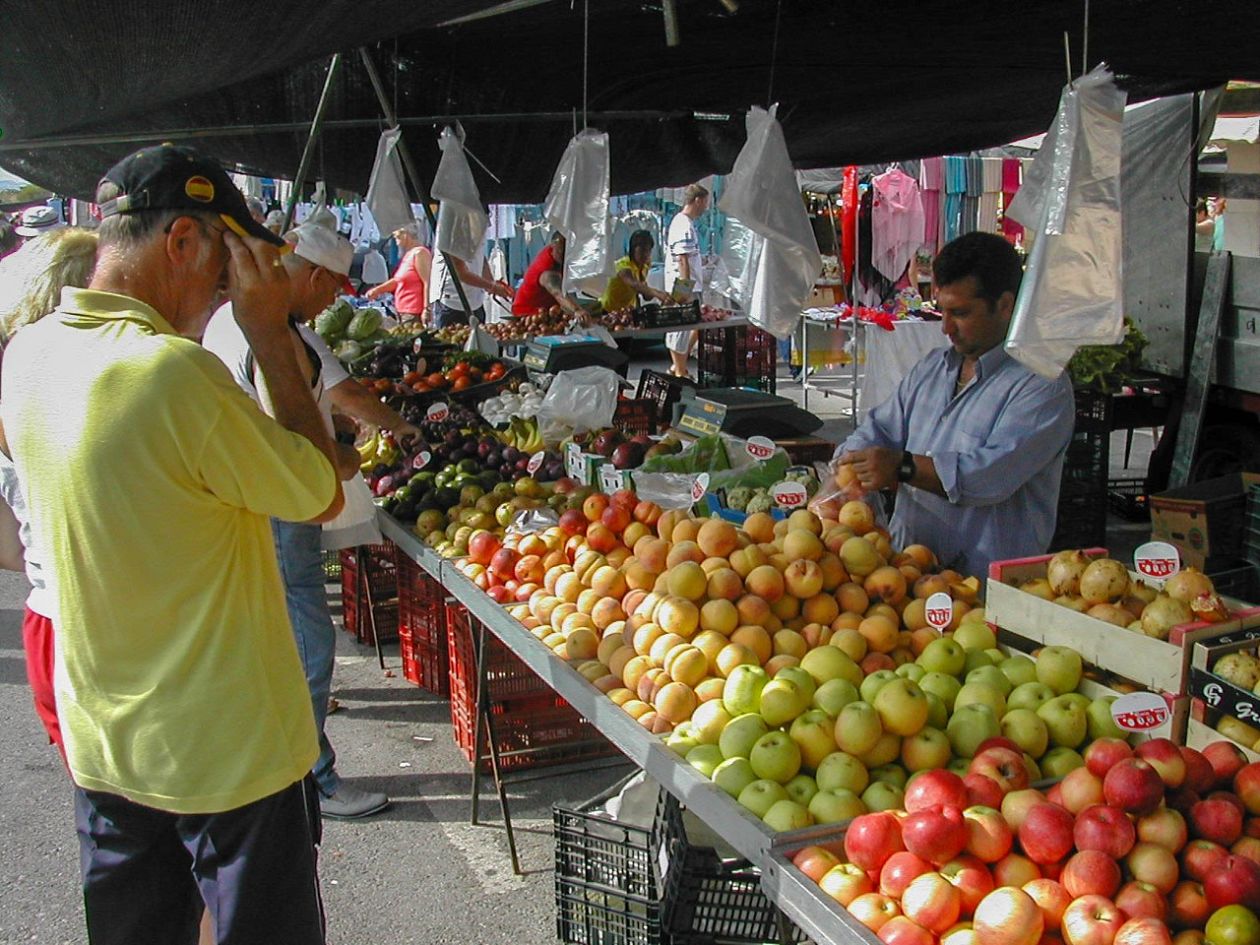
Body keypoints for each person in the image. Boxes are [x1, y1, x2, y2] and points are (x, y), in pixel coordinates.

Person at [0, 143, 342, 944]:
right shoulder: (171, 374)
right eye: (226, 266)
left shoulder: (29, 354)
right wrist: (268, 336)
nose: (231, 290)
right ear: (180, 241)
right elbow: (319, 487)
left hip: (108, 745)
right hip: (231, 755)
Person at [205, 222, 419, 821]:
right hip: (278, 508)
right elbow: (305, 436)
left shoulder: (239, 320)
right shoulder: (272, 335)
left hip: (246, 503)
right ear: (315, 277)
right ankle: (312, 776)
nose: (333, 304)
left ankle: (289, 759)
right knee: (306, 634)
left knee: (278, 634)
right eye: (332, 291)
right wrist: (350, 453)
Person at [835, 231, 1076, 579]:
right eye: (941, 310)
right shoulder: (933, 367)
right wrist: (847, 467)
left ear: (1005, 305)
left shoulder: (1042, 386)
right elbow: (882, 428)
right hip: (907, 573)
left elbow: (989, 475)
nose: (946, 327)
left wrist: (901, 467)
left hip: (985, 588)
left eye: (960, 313)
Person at [0, 227, 99, 756]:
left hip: (50, 619)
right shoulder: (119, 382)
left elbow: (10, 551)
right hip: (130, 631)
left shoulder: (12, 382)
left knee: (110, 815)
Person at [664, 183, 710, 377]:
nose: (706, 208)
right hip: (684, 286)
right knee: (680, 330)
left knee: (692, 327)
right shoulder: (683, 223)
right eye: (706, 203)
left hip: (689, 285)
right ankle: (680, 370)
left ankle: (678, 367)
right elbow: (682, 259)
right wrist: (684, 290)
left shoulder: (685, 223)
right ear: (697, 201)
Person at [512, 231, 587, 321]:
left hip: (549, 310)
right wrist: (577, 310)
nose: (565, 256)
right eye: (561, 252)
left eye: (568, 252)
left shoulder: (556, 255)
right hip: (528, 313)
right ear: (553, 247)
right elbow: (558, 293)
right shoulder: (546, 268)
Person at [364, 222, 431, 325]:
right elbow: (397, 281)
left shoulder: (420, 253)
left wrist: (427, 309)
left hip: (413, 312)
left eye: (397, 235)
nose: (395, 237)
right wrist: (377, 290)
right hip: (402, 312)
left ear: (406, 234)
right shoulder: (408, 254)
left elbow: (428, 282)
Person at [599, 229, 672, 311]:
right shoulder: (623, 265)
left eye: (649, 251)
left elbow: (645, 294)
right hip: (609, 311)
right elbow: (634, 284)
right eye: (642, 250)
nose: (645, 254)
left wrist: (660, 296)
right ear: (633, 249)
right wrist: (658, 294)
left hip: (627, 311)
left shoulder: (645, 265)